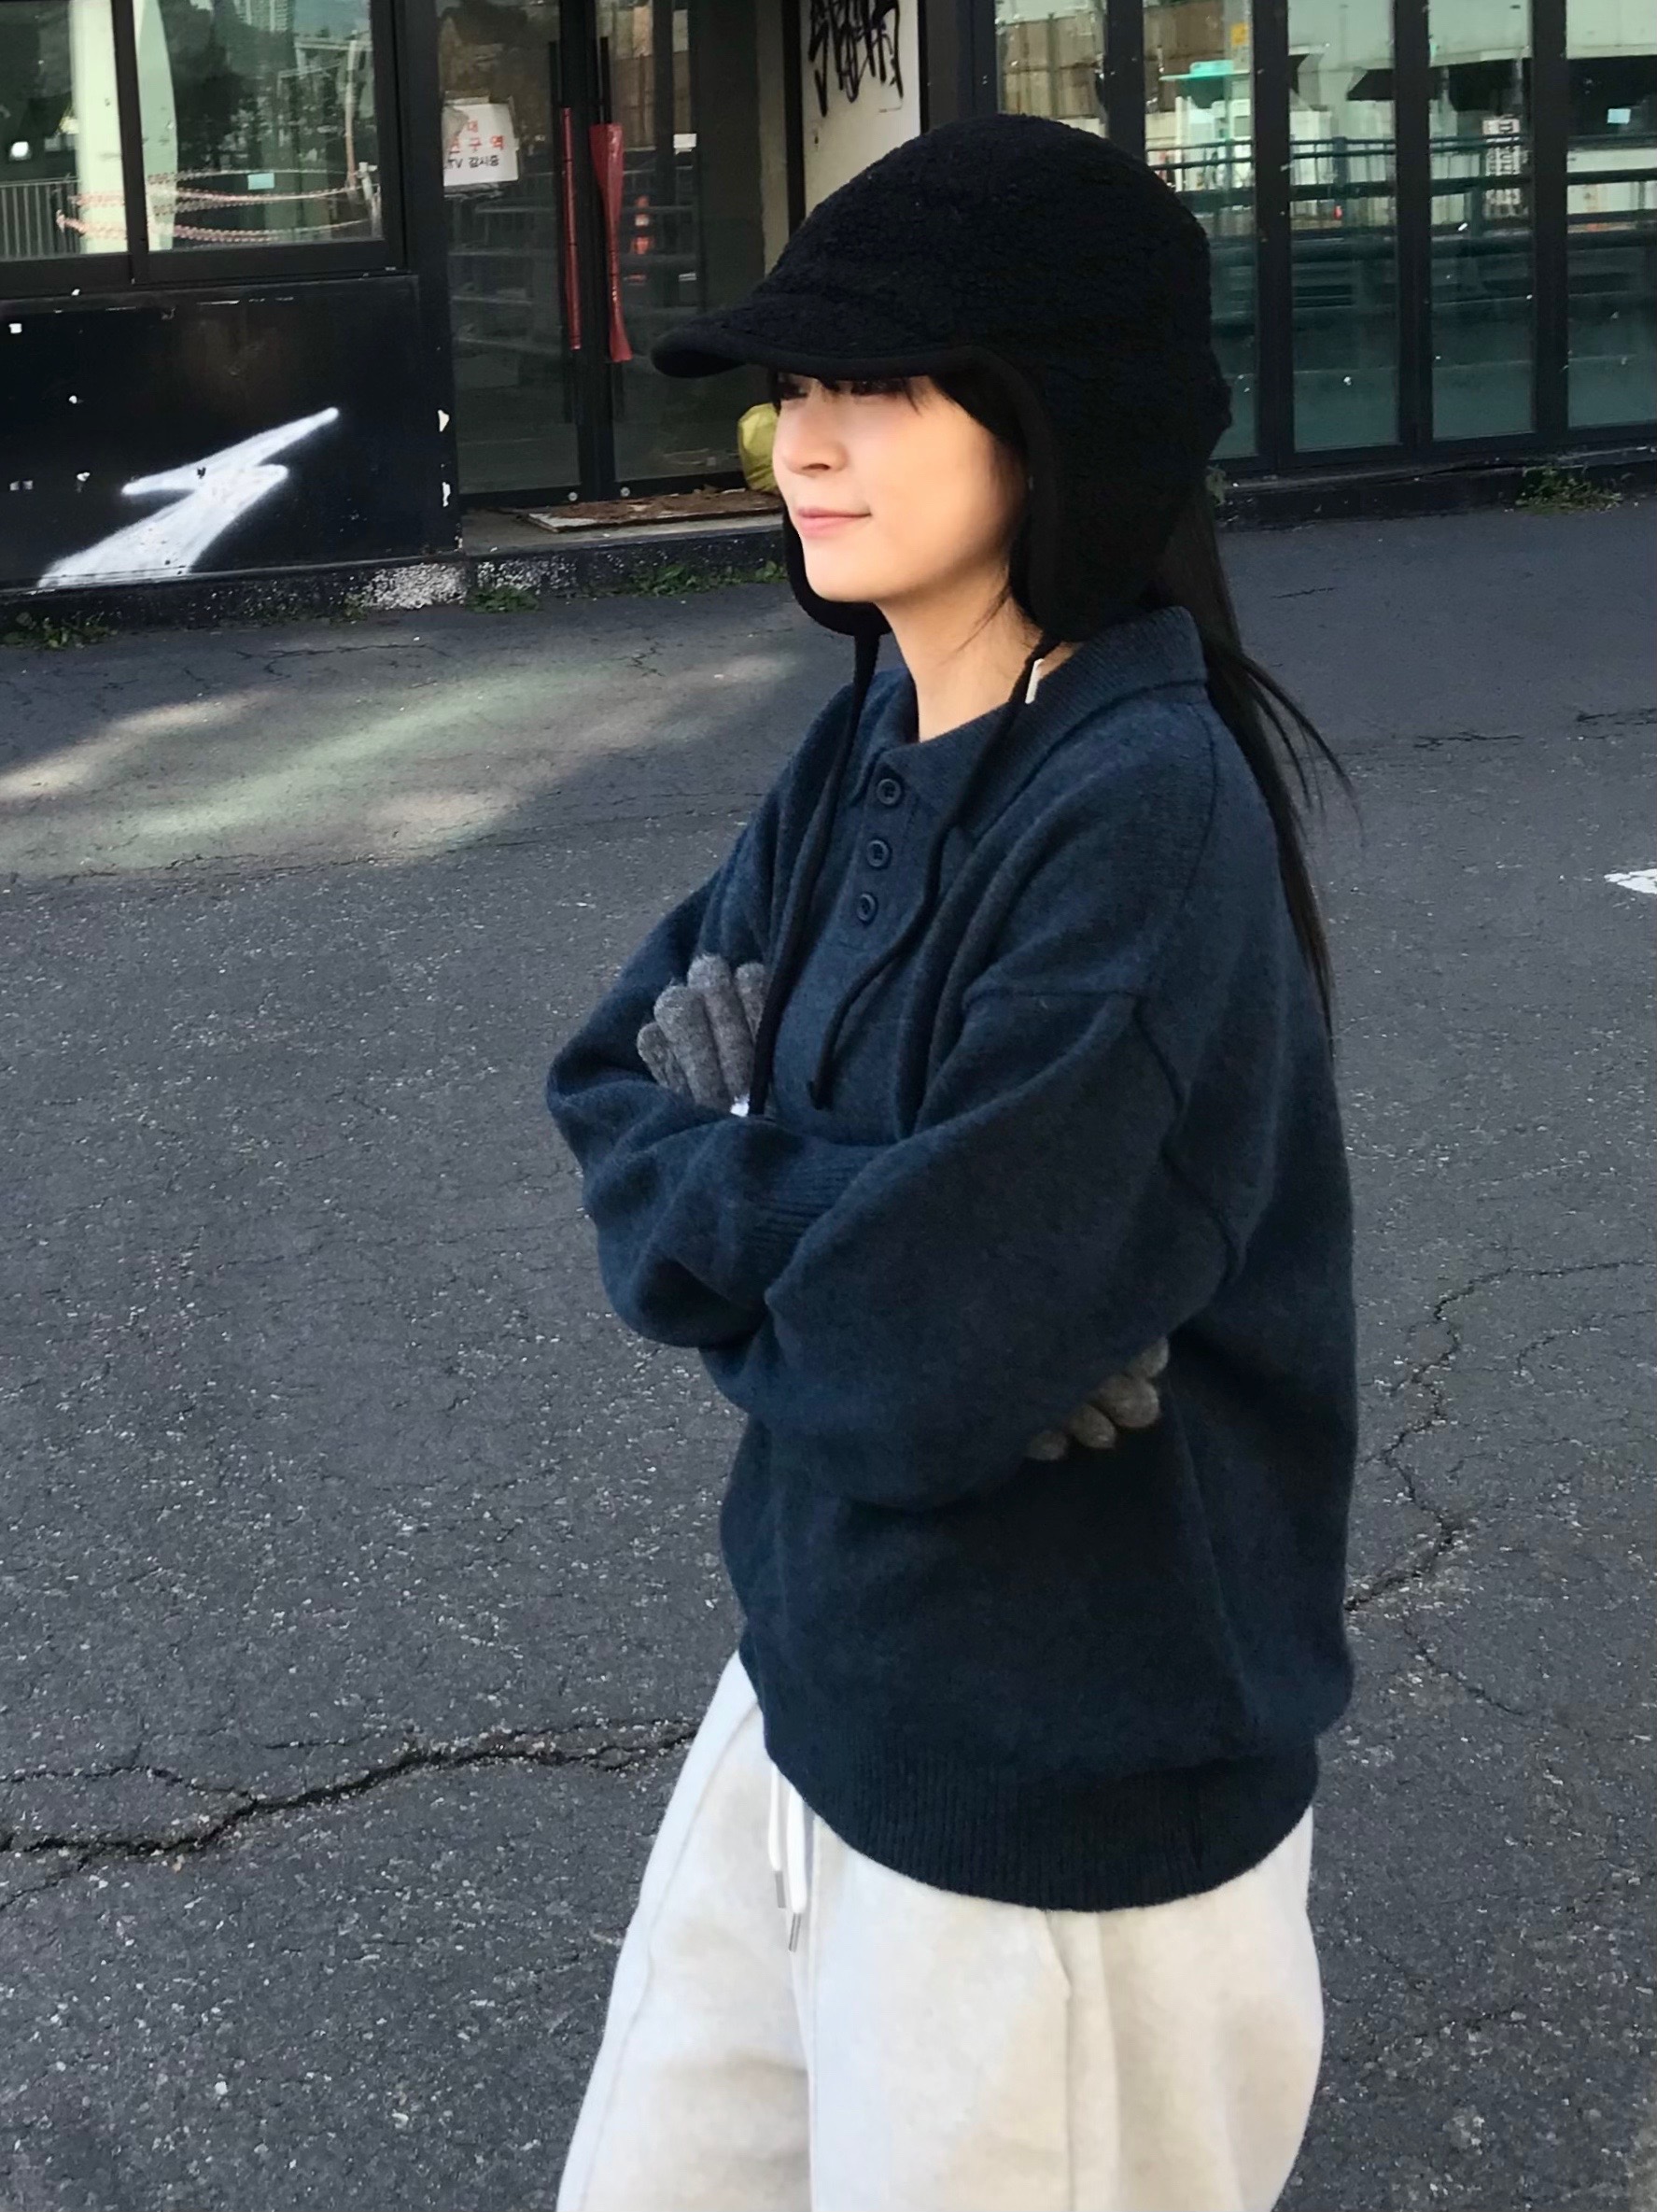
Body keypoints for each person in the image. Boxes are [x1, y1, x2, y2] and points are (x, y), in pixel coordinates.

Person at [543, 110, 1360, 2212]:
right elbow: (608, 1088)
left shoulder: (1142, 814)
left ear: (1060, 419)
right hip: (811, 1687)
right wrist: (857, 1215)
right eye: (794, 390)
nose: (802, 443)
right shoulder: (871, 737)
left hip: (1058, 1823)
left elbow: (912, 1360)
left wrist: (808, 1203)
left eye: (881, 386)